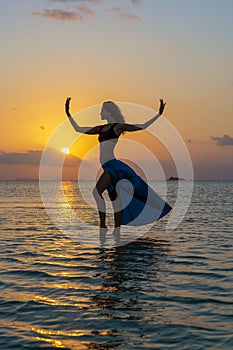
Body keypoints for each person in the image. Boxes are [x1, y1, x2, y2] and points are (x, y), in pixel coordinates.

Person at [65, 98, 172, 236]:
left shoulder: (118, 127)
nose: (100, 113)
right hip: (106, 166)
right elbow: (78, 129)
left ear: (109, 111)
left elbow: (141, 126)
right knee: (115, 198)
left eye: (102, 110)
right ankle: (116, 231)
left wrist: (159, 115)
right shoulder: (101, 128)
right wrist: (68, 113)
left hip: (112, 166)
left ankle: (103, 226)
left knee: (96, 192)